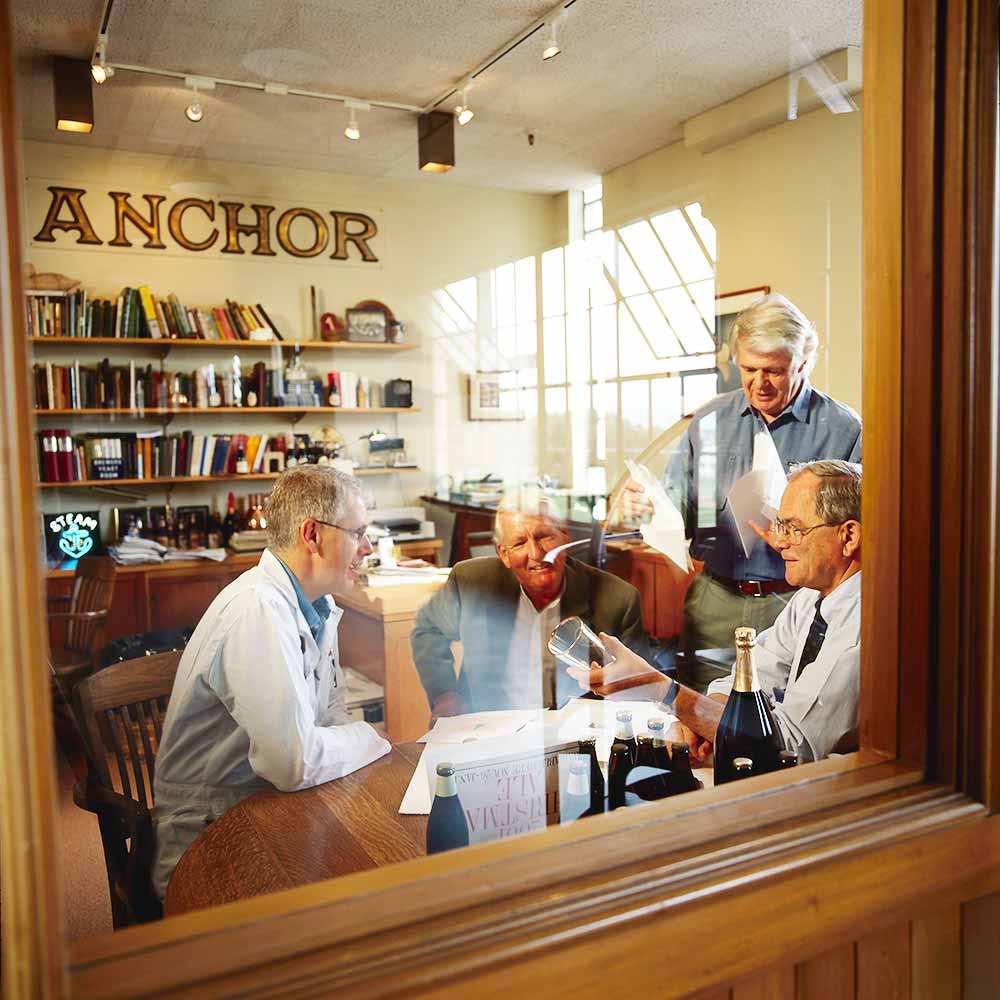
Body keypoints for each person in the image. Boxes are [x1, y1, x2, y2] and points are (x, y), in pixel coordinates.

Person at [151, 466, 390, 899]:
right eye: (358, 533)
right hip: (211, 839)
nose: (368, 548)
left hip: (272, 808)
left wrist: (351, 739)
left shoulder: (316, 605)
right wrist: (372, 738)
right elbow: (292, 763)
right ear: (313, 535)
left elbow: (329, 718)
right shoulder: (257, 611)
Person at [624, 293, 862, 692]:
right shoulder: (709, 421)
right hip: (715, 600)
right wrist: (649, 507)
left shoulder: (843, 429)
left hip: (796, 601)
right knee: (703, 712)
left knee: (784, 723)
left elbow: (862, 535)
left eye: (773, 371)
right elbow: (678, 506)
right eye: (749, 368)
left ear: (802, 364)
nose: (758, 383)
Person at [581, 460, 862, 764]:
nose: (779, 542)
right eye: (781, 526)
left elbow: (787, 747)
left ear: (848, 537)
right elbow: (754, 676)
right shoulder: (809, 598)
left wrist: (655, 686)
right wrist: (703, 720)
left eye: (795, 529)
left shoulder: (863, 626)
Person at [411, 491, 649, 717]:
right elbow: (428, 629)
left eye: (544, 536)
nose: (536, 553)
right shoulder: (470, 583)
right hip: (491, 730)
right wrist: (446, 695)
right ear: (503, 553)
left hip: (577, 738)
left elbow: (639, 692)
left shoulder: (619, 600)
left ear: (565, 536)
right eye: (519, 543)